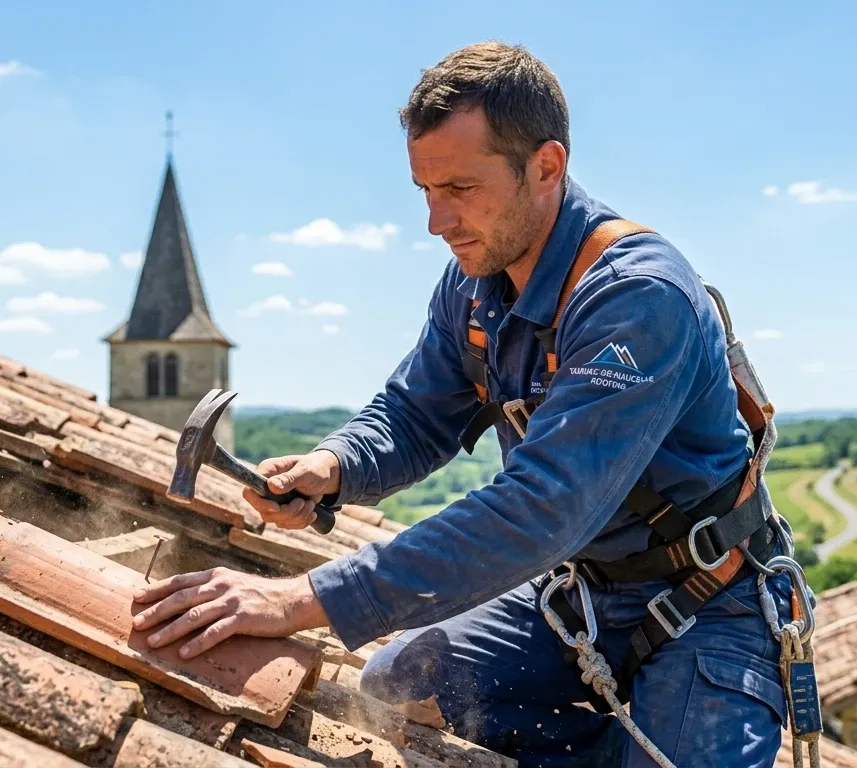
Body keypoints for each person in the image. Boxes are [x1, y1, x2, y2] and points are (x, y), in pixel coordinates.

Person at [133, 41, 807, 768]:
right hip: (581, 594)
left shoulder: (637, 297)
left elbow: (542, 508)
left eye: (459, 188)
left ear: (545, 167)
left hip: (708, 603)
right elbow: (414, 412)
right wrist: (333, 465)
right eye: (425, 190)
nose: (436, 221)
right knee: (400, 680)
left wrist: (303, 599)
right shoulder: (475, 281)